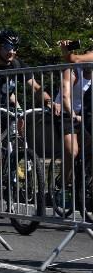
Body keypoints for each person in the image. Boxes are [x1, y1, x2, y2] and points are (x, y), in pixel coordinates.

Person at [0, 29, 53, 202]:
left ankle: (11, 169)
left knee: (19, 137)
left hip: (6, 110)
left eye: (15, 48)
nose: (11, 51)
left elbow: (36, 87)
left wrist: (49, 101)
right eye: (7, 47)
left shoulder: (17, 65)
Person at [53, 40, 93, 201]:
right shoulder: (73, 70)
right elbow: (65, 96)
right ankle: (64, 185)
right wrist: (73, 114)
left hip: (83, 114)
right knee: (72, 151)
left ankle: (84, 177)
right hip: (65, 112)